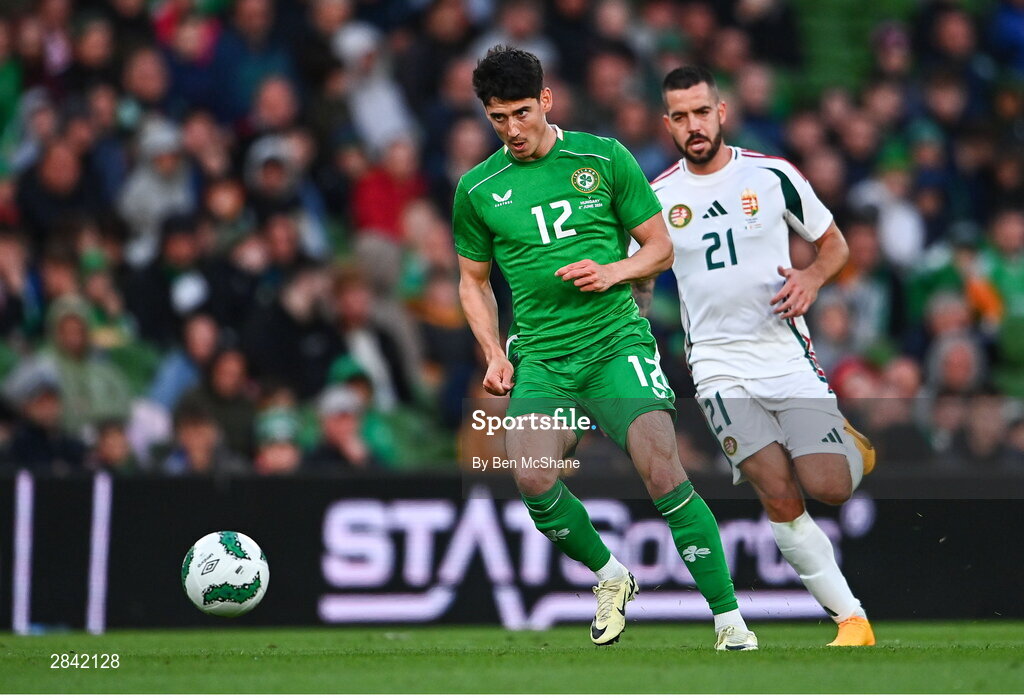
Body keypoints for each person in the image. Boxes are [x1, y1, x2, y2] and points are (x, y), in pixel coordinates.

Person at [452, 46, 756, 651]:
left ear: (546, 100)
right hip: (541, 356)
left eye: (520, 113)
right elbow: (472, 281)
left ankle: (729, 621)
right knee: (533, 478)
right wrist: (493, 352)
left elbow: (660, 248)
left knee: (662, 468)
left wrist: (614, 271)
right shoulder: (478, 188)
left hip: (615, 342)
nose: (511, 130)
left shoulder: (603, 157)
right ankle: (611, 576)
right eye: (497, 119)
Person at [644, 65, 877, 647]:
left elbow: (834, 245)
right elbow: (639, 274)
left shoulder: (772, 175)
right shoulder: (658, 196)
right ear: (666, 124)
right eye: (680, 116)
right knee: (777, 493)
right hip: (717, 366)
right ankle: (851, 619)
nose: (693, 125)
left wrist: (813, 279)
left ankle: (846, 444)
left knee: (830, 487)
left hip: (784, 352)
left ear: (721, 112)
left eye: (702, 112)